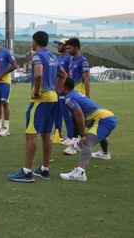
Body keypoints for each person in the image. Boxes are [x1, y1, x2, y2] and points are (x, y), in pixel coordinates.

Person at [8, 31, 67, 182]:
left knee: (31, 134)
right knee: (46, 134)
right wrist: (57, 90)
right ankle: (44, 169)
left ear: (35, 42)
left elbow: (38, 74)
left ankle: (26, 172)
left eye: (32, 41)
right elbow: (63, 74)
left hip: (40, 100)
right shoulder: (53, 56)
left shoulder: (37, 56)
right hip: (53, 99)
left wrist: (36, 92)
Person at [59, 78, 117, 181]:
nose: (56, 85)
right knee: (97, 136)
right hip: (106, 117)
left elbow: (79, 115)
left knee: (87, 142)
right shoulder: (74, 94)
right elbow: (76, 118)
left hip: (103, 120)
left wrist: (82, 135)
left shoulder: (69, 98)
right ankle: (104, 153)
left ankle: (80, 172)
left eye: (59, 83)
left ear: (64, 87)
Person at [63, 37, 91, 155]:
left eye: (69, 48)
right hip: (71, 94)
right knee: (75, 119)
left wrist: (87, 96)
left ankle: (74, 146)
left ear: (76, 47)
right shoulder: (71, 59)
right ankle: (78, 143)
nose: (67, 50)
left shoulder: (83, 61)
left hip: (79, 94)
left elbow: (87, 79)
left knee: (77, 119)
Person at [52, 38, 74, 146]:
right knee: (57, 113)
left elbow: (69, 75)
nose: (58, 46)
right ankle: (58, 133)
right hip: (57, 89)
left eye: (60, 44)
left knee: (66, 114)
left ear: (66, 46)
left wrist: (66, 89)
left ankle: (70, 137)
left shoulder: (69, 58)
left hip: (65, 90)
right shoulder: (58, 58)